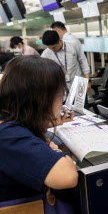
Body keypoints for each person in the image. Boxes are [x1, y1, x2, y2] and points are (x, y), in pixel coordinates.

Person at [0, 55, 77, 202]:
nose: (62, 100)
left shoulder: (9, 121)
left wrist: (40, 123)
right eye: (60, 94)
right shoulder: (8, 135)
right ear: (42, 98)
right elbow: (67, 177)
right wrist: (52, 146)